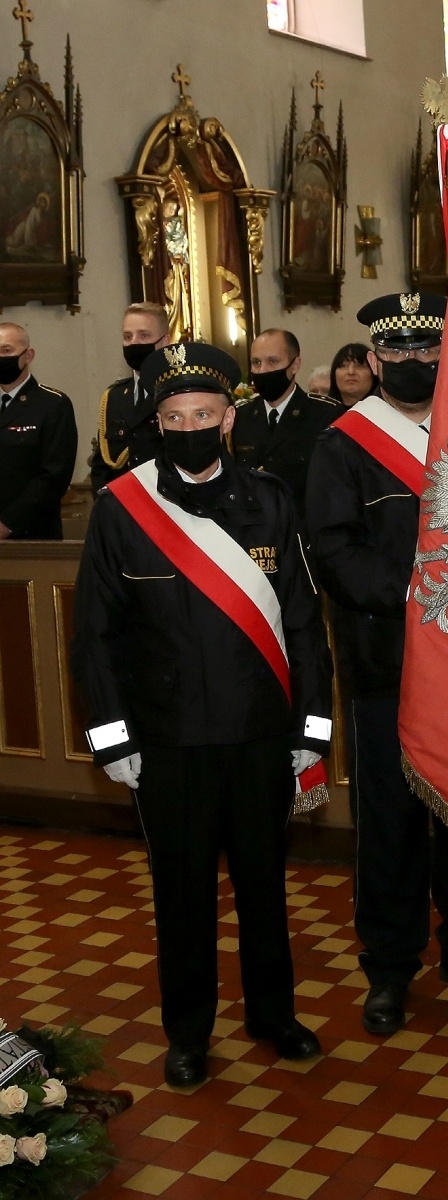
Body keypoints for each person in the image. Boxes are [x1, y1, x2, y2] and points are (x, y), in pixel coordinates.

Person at [71, 342, 332, 1087]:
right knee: (182, 892)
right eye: (174, 415)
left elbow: (303, 623)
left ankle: (272, 1014)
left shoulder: (271, 498)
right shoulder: (123, 507)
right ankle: (188, 1032)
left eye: (204, 414)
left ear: (227, 421)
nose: (190, 425)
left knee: (263, 884)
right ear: (158, 422)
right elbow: (95, 634)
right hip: (168, 738)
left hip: (258, 734)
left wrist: (310, 729)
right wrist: (113, 737)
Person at [307, 292, 448, 1038]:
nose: (414, 363)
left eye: (428, 352)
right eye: (398, 353)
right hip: (388, 665)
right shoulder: (343, 443)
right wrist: (421, 592)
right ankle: (391, 968)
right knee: (392, 823)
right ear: (374, 361)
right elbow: (334, 548)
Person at [232, 328, 342, 527]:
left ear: (295, 365)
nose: (263, 370)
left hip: (306, 532)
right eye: (256, 362)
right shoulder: (239, 417)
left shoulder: (325, 414)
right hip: (253, 533)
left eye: (273, 361)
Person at [0, 321, 77, 540]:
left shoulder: (52, 404)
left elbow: (54, 476)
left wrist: (7, 524)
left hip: (31, 535)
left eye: (7, 350)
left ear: (28, 355)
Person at [89, 302, 171, 496]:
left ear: (165, 341)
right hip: (122, 509)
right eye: (128, 337)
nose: (134, 343)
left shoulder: (181, 393)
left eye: (144, 336)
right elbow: (102, 466)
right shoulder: (114, 397)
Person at [328, 342, 379, 407]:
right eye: (344, 366)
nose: (351, 372)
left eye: (359, 366)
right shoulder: (324, 413)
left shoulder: (384, 411)